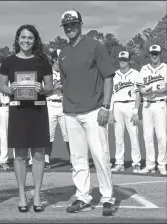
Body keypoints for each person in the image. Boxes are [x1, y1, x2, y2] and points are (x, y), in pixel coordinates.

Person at [59, 10, 116, 216]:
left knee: (101, 156)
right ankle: (83, 197)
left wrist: (106, 106)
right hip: (70, 112)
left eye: (73, 24)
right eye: (66, 25)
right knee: (77, 158)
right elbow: (66, 82)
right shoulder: (63, 52)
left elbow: (108, 77)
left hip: (94, 110)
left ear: (80, 24)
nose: (70, 28)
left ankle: (108, 197)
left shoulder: (95, 46)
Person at [0, 24, 53, 213]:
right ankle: (22, 193)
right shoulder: (9, 62)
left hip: (38, 111)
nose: (26, 41)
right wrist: (11, 89)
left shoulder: (42, 61)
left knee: (38, 155)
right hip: (18, 111)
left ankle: (37, 194)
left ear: (35, 40)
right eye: (23, 37)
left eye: (30, 38)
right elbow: (2, 87)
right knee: (20, 156)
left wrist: (42, 89)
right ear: (17, 39)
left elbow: (50, 88)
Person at [136, 44, 167, 175]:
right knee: (147, 136)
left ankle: (162, 164)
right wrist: (145, 91)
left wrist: (155, 91)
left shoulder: (165, 68)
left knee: (161, 136)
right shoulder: (144, 69)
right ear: (149, 54)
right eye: (152, 54)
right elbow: (140, 88)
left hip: (160, 104)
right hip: (147, 104)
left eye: (156, 54)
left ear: (160, 54)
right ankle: (150, 165)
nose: (154, 56)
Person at [109, 51, 141, 173]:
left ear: (129, 61)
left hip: (130, 105)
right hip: (117, 106)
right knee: (118, 137)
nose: (122, 61)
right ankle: (119, 163)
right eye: (120, 59)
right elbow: (111, 94)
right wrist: (111, 111)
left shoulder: (135, 74)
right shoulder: (114, 75)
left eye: (125, 59)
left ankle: (136, 163)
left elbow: (138, 94)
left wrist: (136, 111)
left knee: (134, 135)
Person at [44, 49, 70, 171]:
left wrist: (64, 88)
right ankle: (46, 161)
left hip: (63, 104)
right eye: (61, 58)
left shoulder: (66, 72)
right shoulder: (46, 73)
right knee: (49, 134)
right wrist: (54, 88)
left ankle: (73, 160)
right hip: (50, 104)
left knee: (68, 134)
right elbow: (42, 92)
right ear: (55, 59)